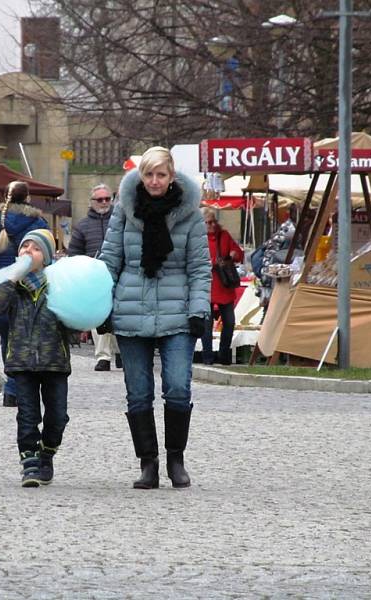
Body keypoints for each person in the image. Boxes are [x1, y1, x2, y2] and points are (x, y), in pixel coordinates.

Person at [99, 146, 210, 490]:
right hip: (131, 311)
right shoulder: (124, 211)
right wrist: (103, 306)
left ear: (172, 176)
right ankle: (148, 463)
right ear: (140, 176)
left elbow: (199, 267)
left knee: (178, 387)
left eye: (161, 175)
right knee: (138, 393)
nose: (155, 181)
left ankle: (176, 459)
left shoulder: (190, 215)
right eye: (149, 174)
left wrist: (199, 310)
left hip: (178, 313)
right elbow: (110, 259)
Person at [0, 229, 71, 487]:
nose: (28, 252)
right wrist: (12, 280)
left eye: (35, 249)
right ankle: (31, 464)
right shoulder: (13, 284)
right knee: (27, 415)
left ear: (45, 257)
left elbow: (74, 321)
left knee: (57, 416)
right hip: (22, 362)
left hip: (54, 360)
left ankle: (47, 452)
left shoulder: (59, 283)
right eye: (24, 248)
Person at [0, 180, 49, 407]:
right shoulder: (38, 222)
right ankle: (23, 387)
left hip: (2, 288)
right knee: (29, 339)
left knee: (6, 339)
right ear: (28, 198)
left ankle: (11, 388)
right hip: (31, 289)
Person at [68, 183, 122, 372]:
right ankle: (103, 356)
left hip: (119, 274)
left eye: (107, 198)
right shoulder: (82, 226)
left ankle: (121, 352)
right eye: (100, 199)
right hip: (94, 275)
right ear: (92, 202)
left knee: (120, 314)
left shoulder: (120, 220)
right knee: (99, 315)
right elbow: (74, 253)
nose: (104, 202)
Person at [201, 208, 244, 365]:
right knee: (206, 325)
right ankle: (207, 357)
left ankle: (224, 355)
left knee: (230, 322)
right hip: (207, 286)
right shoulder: (198, 238)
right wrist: (212, 263)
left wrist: (234, 254)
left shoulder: (224, 235)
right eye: (208, 222)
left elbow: (239, 253)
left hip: (225, 286)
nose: (212, 225)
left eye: (213, 221)